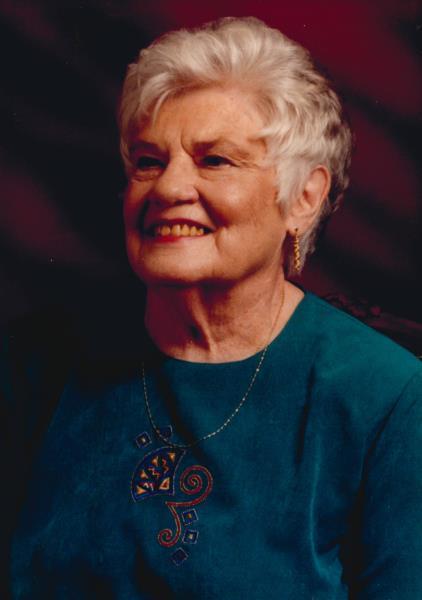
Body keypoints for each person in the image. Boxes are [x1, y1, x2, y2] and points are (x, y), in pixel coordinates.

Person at [6, 16, 422, 599]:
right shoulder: (36, 361)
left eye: (215, 160)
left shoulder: (386, 397)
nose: (168, 188)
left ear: (303, 198)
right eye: (148, 161)